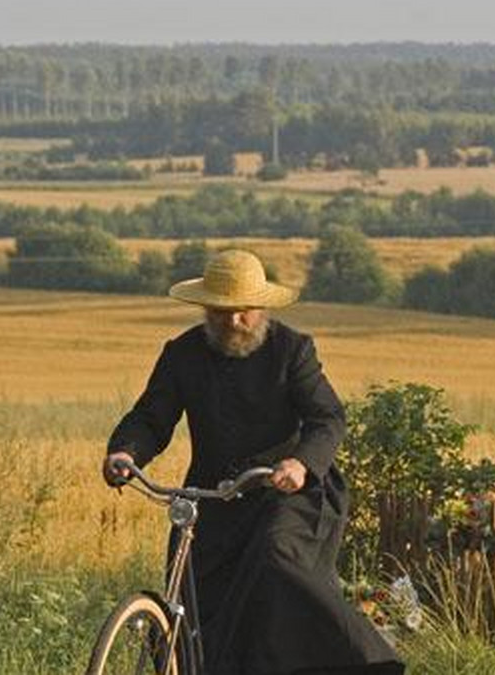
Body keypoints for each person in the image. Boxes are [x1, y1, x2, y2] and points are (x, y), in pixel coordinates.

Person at [102, 249, 403, 675]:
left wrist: (300, 463)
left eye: (243, 311)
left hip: (286, 491)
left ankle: (359, 662)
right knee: (189, 590)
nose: (234, 322)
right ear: (207, 308)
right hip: (215, 494)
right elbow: (151, 418)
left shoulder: (291, 350)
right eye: (223, 312)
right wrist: (125, 451)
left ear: (261, 307)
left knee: (275, 558)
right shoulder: (182, 354)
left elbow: (327, 418)